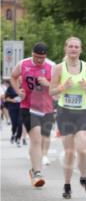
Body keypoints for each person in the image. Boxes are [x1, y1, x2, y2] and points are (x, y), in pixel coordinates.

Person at [49, 37, 86, 199]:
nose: (74, 49)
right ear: (66, 49)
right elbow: (51, 91)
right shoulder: (59, 68)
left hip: (82, 112)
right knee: (69, 152)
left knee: (82, 149)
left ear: (80, 50)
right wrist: (62, 87)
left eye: (76, 47)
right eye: (71, 46)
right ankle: (67, 185)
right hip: (65, 113)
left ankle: (83, 178)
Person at [11, 41, 55, 187]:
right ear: (32, 54)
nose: (39, 60)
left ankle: (34, 169)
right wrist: (18, 91)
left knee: (42, 139)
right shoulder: (23, 64)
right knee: (36, 139)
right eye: (36, 57)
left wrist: (48, 83)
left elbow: (58, 87)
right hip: (28, 106)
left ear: (46, 56)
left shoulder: (52, 67)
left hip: (46, 108)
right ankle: (37, 173)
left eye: (41, 58)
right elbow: (13, 77)